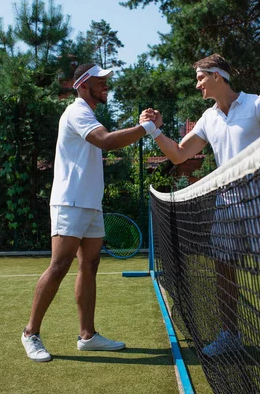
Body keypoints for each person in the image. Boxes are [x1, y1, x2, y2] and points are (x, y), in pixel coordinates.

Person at [140, 54, 260, 357]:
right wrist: (154, 130)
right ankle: (230, 334)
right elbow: (179, 154)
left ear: (217, 75)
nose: (197, 85)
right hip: (226, 201)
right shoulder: (208, 118)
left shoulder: (259, 106)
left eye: (200, 78)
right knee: (223, 268)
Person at [21, 63, 161, 362]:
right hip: (69, 202)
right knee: (59, 266)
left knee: (90, 265)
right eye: (101, 82)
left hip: (90, 203)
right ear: (83, 86)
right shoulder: (77, 111)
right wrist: (148, 128)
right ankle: (30, 332)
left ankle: (87, 336)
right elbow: (106, 141)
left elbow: (110, 136)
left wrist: (142, 126)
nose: (106, 86)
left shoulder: (89, 114)